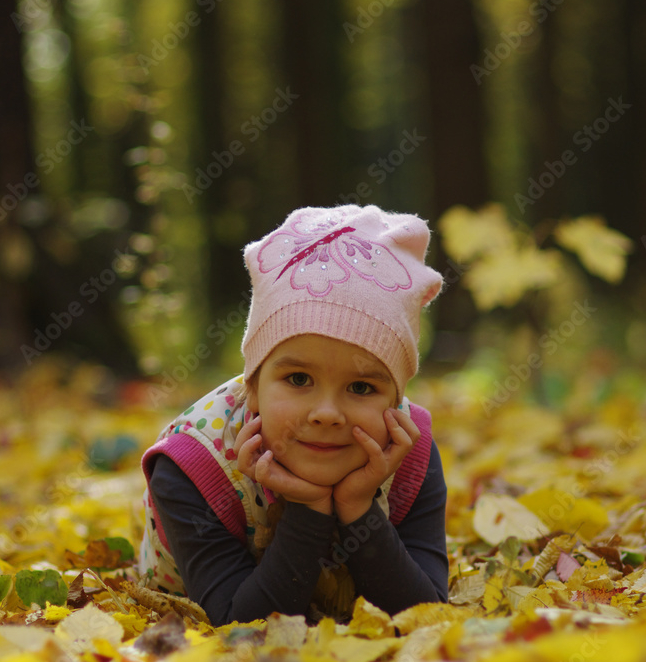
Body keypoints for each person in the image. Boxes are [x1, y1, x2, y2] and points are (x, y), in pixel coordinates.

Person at [138, 204, 449, 625]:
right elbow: (238, 626)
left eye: (361, 387)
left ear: (395, 401)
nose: (326, 414)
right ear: (252, 385)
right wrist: (310, 507)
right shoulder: (192, 466)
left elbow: (424, 616)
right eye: (299, 379)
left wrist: (358, 507)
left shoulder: (409, 451)